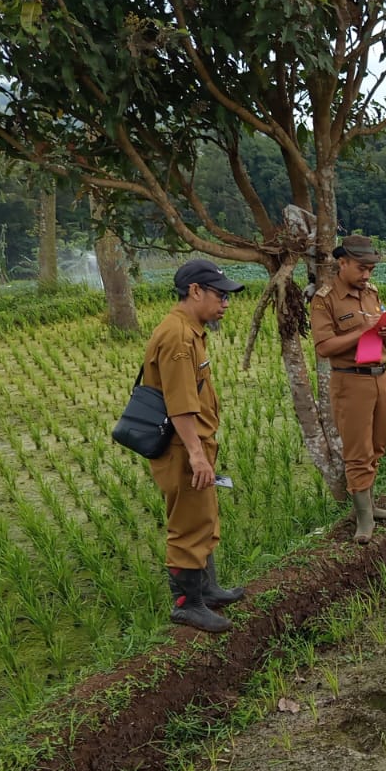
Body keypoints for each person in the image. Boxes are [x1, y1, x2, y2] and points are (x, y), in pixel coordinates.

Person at [144, 259, 247, 633]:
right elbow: (181, 404)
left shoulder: (191, 331)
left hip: (194, 443)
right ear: (195, 291)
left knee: (202, 516)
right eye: (220, 295)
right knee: (187, 524)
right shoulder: (177, 337)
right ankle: (187, 604)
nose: (225, 303)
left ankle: (209, 589)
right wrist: (197, 455)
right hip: (182, 447)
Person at [310, 234, 386, 543]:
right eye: (361, 269)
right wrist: (362, 331)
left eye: (370, 270)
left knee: (378, 442)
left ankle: (371, 506)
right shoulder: (325, 299)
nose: (366, 276)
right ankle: (363, 517)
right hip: (351, 381)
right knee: (357, 450)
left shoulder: (371, 293)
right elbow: (324, 346)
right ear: (343, 262)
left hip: (380, 376)